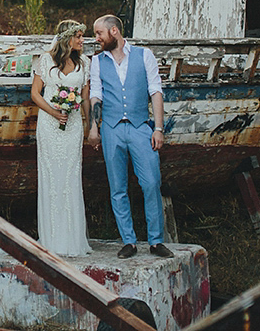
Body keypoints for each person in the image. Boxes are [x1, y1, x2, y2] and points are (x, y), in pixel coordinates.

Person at [86, 14, 173, 259]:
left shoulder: (144, 55)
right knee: (118, 187)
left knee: (151, 183)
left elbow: (155, 91)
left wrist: (158, 128)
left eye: (99, 33)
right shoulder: (97, 61)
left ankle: (156, 241)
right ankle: (129, 241)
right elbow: (96, 94)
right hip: (111, 129)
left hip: (140, 127)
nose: (97, 39)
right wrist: (94, 127)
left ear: (114, 31)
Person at [30, 19, 92, 256]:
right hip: (48, 123)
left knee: (69, 176)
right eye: (78, 36)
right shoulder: (46, 60)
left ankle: (72, 238)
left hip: (73, 125)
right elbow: (35, 93)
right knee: (51, 175)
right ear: (67, 38)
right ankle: (52, 238)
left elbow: (85, 98)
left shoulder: (85, 63)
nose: (81, 40)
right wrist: (54, 113)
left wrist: (90, 126)